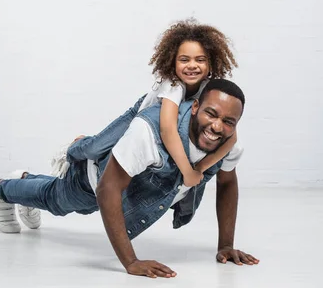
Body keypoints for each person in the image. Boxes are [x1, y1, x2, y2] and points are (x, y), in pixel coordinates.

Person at [0, 79, 259, 278]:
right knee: (56, 201)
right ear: (195, 106)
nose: (217, 127)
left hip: (123, 186)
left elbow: (227, 182)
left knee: (57, 199)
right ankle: (5, 188)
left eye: (229, 121)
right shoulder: (149, 131)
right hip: (93, 179)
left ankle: (26, 182)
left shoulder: (228, 146)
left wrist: (226, 245)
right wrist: (130, 261)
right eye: (211, 113)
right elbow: (108, 188)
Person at [52, 19, 241, 187]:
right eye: (184, 60)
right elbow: (167, 129)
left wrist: (200, 167)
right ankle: (73, 147)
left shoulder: (210, 91)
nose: (192, 65)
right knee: (95, 149)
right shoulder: (173, 85)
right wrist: (187, 171)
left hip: (152, 133)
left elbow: (231, 138)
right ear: (173, 62)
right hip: (140, 116)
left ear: (211, 64)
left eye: (200, 60)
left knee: (110, 157)